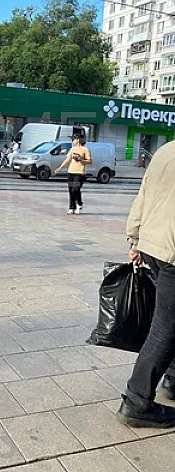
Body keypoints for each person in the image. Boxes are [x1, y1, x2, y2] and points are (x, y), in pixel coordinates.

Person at [115, 140, 175, 428]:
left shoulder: (166, 150)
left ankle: (172, 379)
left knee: (170, 320)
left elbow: (143, 195)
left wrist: (135, 239)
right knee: (165, 327)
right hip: (173, 253)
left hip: (154, 245)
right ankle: (137, 402)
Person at [55, 134, 91, 214]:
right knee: (71, 190)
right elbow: (67, 160)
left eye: (73, 139)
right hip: (71, 172)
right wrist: (60, 168)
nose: (72, 141)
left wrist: (81, 159)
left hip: (79, 173)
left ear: (78, 140)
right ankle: (72, 207)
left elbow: (89, 161)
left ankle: (79, 203)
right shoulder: (72, 149)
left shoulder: (85, 149)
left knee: (75, 189)